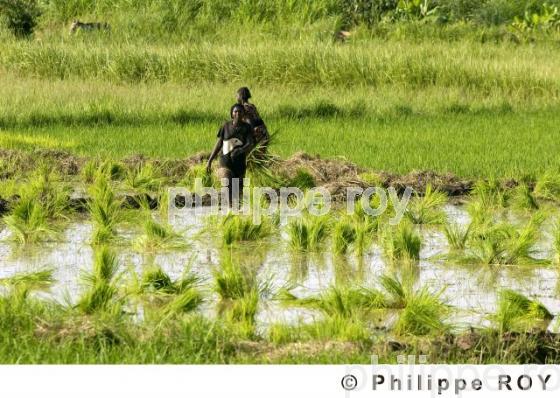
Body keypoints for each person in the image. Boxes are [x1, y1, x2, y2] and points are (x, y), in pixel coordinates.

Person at [206, 104, 254, 205]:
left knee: (237, 193)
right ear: (232, 114)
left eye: (240, 111)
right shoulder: (225, 126)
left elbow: (250, 143)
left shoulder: (247, 128)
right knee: (227, 184)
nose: (237, 114)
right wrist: (210, 161)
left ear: (243, 114)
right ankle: (229, 208)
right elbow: (219, 143)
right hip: (225, 163)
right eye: (235, 111)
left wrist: (241, 150)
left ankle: (235, 212)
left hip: (239, 165)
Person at [236, 87, 269, 154]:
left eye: (237, 95)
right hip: (264, 133)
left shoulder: (244, 108)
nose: (236, 97)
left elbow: (250, 121)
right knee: (260, 156)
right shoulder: (251, 106)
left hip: (258, 134)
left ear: (240, 96)